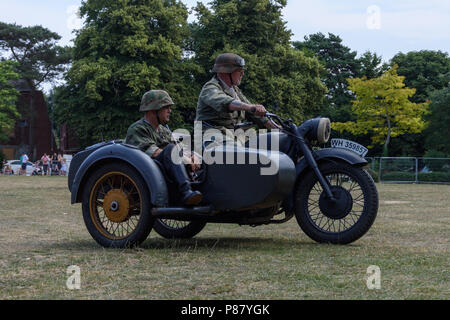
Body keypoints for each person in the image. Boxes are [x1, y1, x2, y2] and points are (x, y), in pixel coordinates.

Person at [125, 90, 203, 206]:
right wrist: (185, 159)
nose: (169, 111)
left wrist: (193, 156)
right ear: (153, 110)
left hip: (167, 175)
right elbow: (154, 153)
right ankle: (186, 192)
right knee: (170, 149)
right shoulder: (137, 129)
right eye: (166, 107)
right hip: (150, 175)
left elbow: (181, 149)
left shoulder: (164, 130)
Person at [196, 52, 278, 143]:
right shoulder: (210, 88)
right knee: (237, 154)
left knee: (266, 146)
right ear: (226, 72)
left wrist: (277, 127)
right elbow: (226, 102)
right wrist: (249, 107)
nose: (242, 74)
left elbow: (253, 112)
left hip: (234, 136)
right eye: (239, 71)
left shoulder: (235, 90)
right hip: (213, 137)